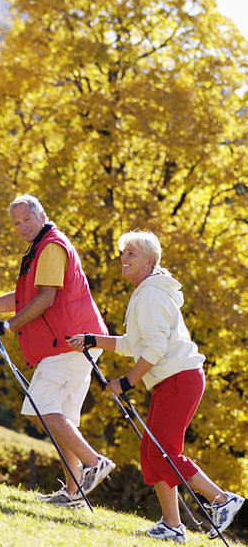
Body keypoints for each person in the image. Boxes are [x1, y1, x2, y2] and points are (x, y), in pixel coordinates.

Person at [68, 230, 244, 542]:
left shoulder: (149, 294)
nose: (124, 258)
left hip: (179, 379)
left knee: (163, 451)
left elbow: (155, 348)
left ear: (150, 261)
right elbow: (134, 344)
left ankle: (222, 500)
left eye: (132, 254)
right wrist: (94, 339)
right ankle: (172, 525)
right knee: (152, 452)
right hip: (173, 381)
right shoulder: (145, 292)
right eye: (124, 252)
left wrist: (127, 382)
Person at [0, 194, 115, 508]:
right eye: (16, 223)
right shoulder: (39, 250)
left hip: (69, 343)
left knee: (39, 407)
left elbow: (46, 299)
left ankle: (95, 462)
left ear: (41, 214)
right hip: (74, 343)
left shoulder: (52, 246)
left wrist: (6, 326)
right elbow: (23, 295)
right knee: (62, 415)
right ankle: (73, 494)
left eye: (27, 219)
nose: (22, 226)